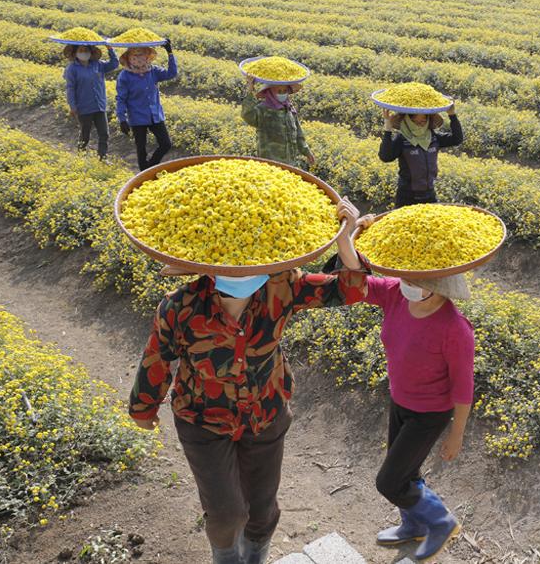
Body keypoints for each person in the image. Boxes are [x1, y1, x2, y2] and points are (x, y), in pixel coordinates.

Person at [128, 199, 367, 564]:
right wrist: (144, 409)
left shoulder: (281, 286)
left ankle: (255, 556)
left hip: (265, 412)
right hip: (202, 419)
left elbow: (348, 291)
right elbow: (158, 358)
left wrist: (345, 241)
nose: (241, 271)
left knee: (261, 510)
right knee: (226, 512)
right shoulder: (180, 306)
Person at [325, 216, 473, 562]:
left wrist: (457, 434)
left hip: (430, 413)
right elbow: (357, 278)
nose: (405, 282)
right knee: (408, 471)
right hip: (400, 401)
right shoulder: (395, 294)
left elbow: (464, 387)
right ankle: (414, 524)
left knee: (389, 482)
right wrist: (346, 235)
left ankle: (440, 521)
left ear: (437, 285)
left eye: (415, 278)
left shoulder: (454, 328)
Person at [378, 105, 463, 207]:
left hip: (429, 195)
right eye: (414, 122)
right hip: (407, 197)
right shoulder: (402, 140)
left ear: (428, 122)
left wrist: (452, 114)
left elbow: (457, 139)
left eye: (423, 122)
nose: (419, 126)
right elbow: (385, 157)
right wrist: (388, 130)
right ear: (407, 121)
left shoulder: (433, 137)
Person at [116, 39, 178, 171]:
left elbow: (172, 73)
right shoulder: (125, 76)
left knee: (166, 144)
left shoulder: (153, 71)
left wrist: (170, 53)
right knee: (141, 149)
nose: (138, 58)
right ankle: (144, 175)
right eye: (135, 55)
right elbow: (121, 99)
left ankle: (150, 167)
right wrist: (122, 119)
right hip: (137, 117)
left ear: (147, 56)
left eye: (141, 54)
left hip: (155, 115)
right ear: (128, 58)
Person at [240, 78, 315, 168]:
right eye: (279, 91)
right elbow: (247, 115)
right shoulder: (263, 110)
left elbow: (298, 134)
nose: (282, 93)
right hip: (269, 164)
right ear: (270, 92)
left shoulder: (289, 109)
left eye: (284, 91)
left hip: (289, 163)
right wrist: (250, 91)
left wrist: (307, 152)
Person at [63, 43, 118, 159]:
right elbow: (70, 88)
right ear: (75, 53)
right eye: (81, 50)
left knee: (104, 133)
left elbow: (114, 64)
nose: (84, 52)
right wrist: (73, 106)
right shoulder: (72, 69)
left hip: (99, 105)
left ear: (91, 52)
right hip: (84, 106)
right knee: (85, 134)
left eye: (86, 50)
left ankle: (102, 158)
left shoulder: (98, 65)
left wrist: (110, 49)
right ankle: (81, 157)